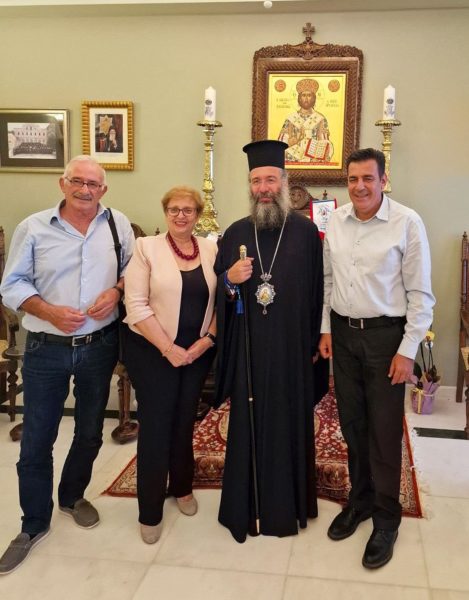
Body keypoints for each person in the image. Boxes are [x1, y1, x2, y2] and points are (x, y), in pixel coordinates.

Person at [0, 155, 134, 575]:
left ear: (103, 190)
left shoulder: (118, 225)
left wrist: (116, 292)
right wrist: (49, 311)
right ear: (63, 183)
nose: (84, 190)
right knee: (37, 439)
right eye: (77, 181)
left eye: (93, 184)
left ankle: (72, 496)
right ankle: (33, 523)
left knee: (90, 431)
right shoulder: (34, 227)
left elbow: (133, 272)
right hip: (46, 347)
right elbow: (11, 285)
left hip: (99, 345)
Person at [319, 148, 435, 569]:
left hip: (387, 339)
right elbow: (328, 280)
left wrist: (407, 350)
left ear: (383, 180)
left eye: (368, 178)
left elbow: (421, 295)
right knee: (353, 424)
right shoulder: (336, 221)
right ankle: (361, 499)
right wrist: (326, 329)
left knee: (384, 432)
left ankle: (387, 518)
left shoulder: (407, 222)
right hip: (344, 334)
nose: (360, 186)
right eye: (353, 179)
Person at [215, 140, 325, 543]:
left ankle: (289, 504)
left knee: (289, 421)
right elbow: (220, 292)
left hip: (292, 350)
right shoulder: (235, 232)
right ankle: (245, 504)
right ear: (250, 185)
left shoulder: (306, 232)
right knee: (248, 421)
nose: (263, 188)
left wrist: (314, 342)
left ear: (284, 182)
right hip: (249, 349)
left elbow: (318, 292)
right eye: (256, 181)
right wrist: (230, 280)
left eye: (270, 180)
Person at [123, 185, 217, 544]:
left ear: (198, 215)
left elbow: (223, 300)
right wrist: (168, 348)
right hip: (152, 352)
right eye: (174, 209)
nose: (181, 215)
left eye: (188, 210)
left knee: (184, 420)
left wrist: (207, 340)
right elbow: (136, 305)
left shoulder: (210, 248)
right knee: (156, 427)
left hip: (196, 353)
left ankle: (182, 486)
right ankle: (149, 511)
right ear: (165, 213)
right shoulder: (146, 248)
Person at [279, 78, 333, 163]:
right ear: (299, 98)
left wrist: (320, 152)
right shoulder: (290, 119)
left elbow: (324, 142)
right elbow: (281, 143)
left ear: (313, 98)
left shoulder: (320, 119)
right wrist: (296, 139)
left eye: (309, 95)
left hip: (313, 155)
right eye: (303, 95)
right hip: (294, 154)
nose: (306, 98)